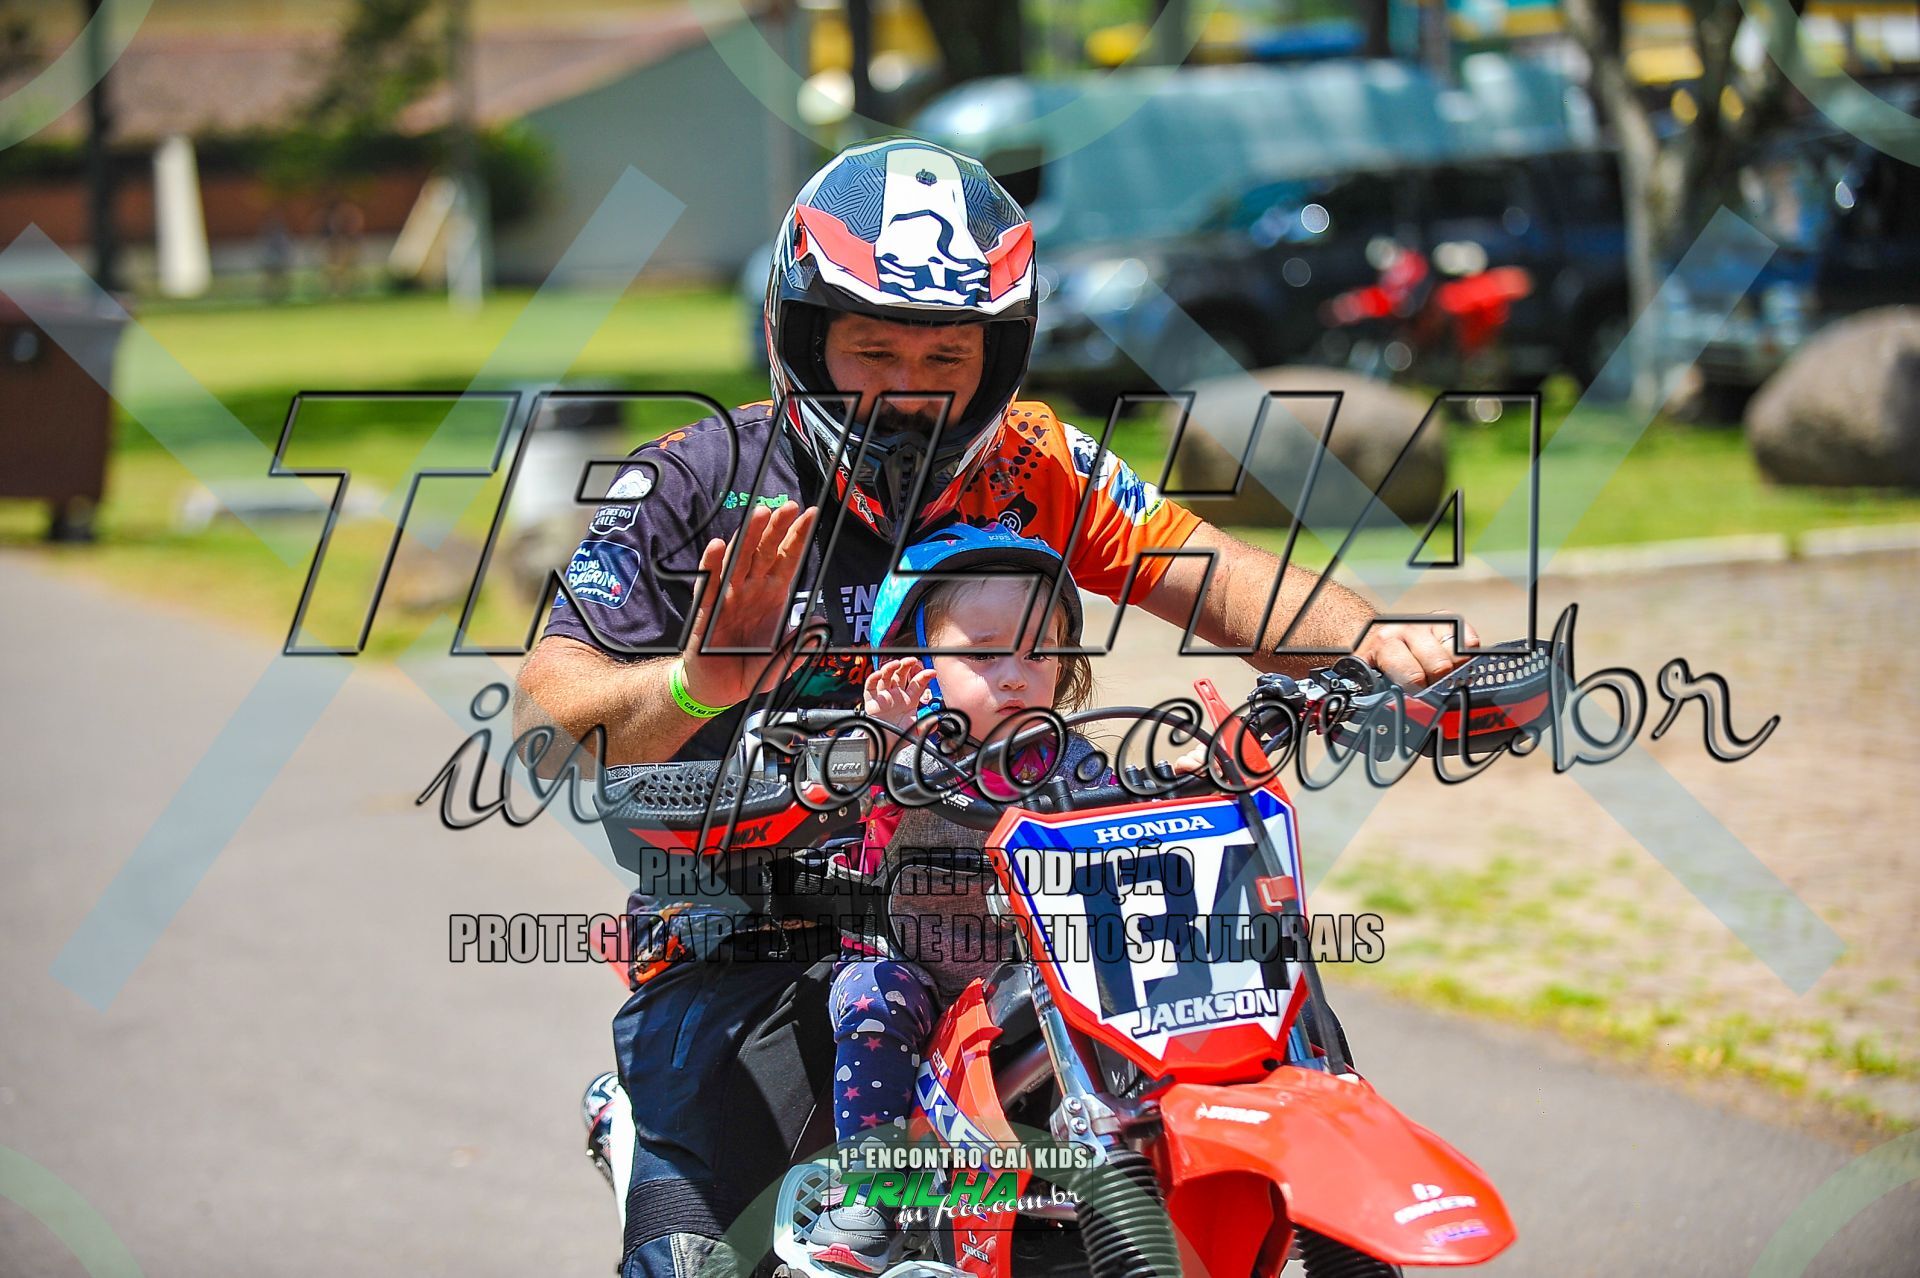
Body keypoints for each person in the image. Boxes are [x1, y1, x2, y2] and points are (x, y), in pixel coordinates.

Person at [516, 138, 1475, 1278]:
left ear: (999, 354)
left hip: (1016, 911)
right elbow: (546, 718)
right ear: (802, 339)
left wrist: (1377, 645)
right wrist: (695, 684)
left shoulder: (1036, 463)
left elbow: (1216, 575)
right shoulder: (694, 480)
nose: (913, 386)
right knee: (699, 1259)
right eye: (874, 348)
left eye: (947, 354)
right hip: (756, 925)